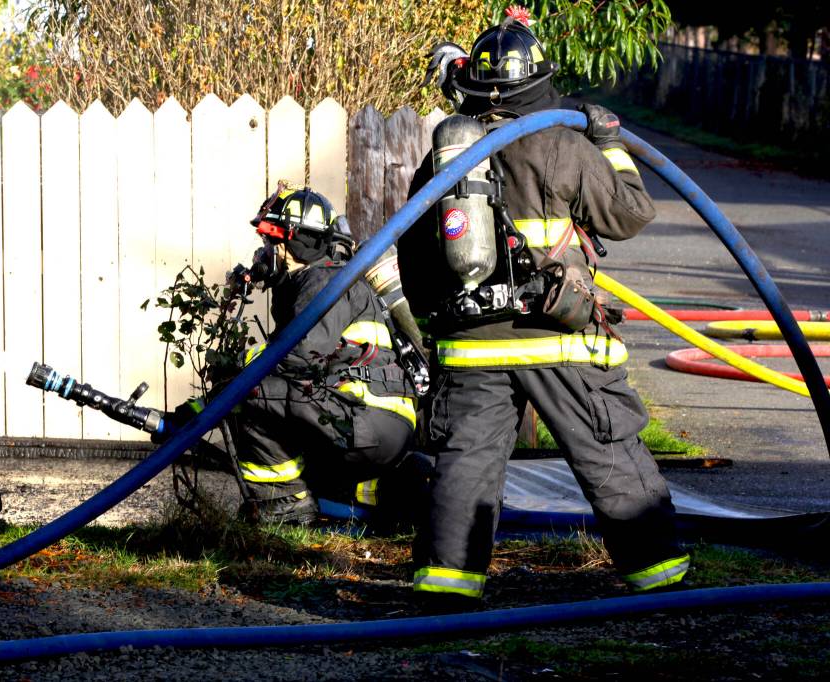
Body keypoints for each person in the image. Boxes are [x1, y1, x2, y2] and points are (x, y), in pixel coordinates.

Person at [397, 12, 689, 605]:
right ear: (540, 83)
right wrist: (610, 144)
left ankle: (445, 588)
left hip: (470, 343)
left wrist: (442, 320)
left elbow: (413, 255)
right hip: (557, 337)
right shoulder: (563, 144)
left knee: (465, 465)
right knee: (608, 451)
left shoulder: (446, 160)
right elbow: (629, 214)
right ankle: (660, 579)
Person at [215, 183, 424, 526]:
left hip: (364, 417)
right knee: (277, 407)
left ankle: (284, 504)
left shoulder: (323, 281)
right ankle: (378, 492)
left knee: (247, 393)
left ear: (296, 241)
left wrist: (239, 363)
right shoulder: (315, 281)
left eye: (273, 242)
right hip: (373, 422)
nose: (266, 251)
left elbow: (299, 359)